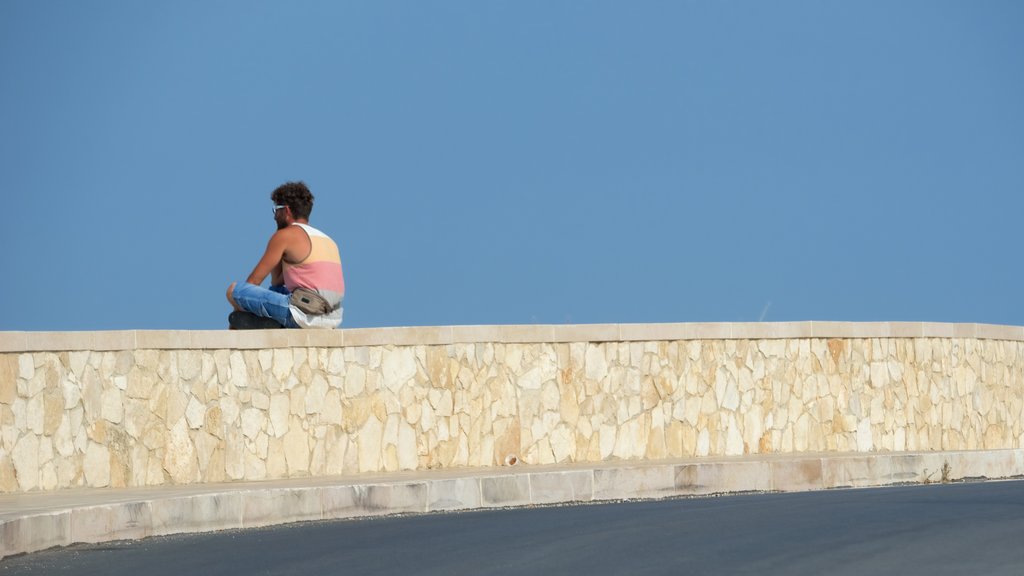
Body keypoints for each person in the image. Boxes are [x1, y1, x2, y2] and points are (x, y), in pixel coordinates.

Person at [227, 181, 344, 329]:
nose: (275, 216)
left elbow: (253, 282)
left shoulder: (285, 236)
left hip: (304, 314)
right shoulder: (328, 240)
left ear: (286, 211)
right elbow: (277, 283)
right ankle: (272, 323)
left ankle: (262, 325)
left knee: (234, 291)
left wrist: (236, 318)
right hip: (331, 318)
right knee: (276, 291)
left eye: (276, 209)